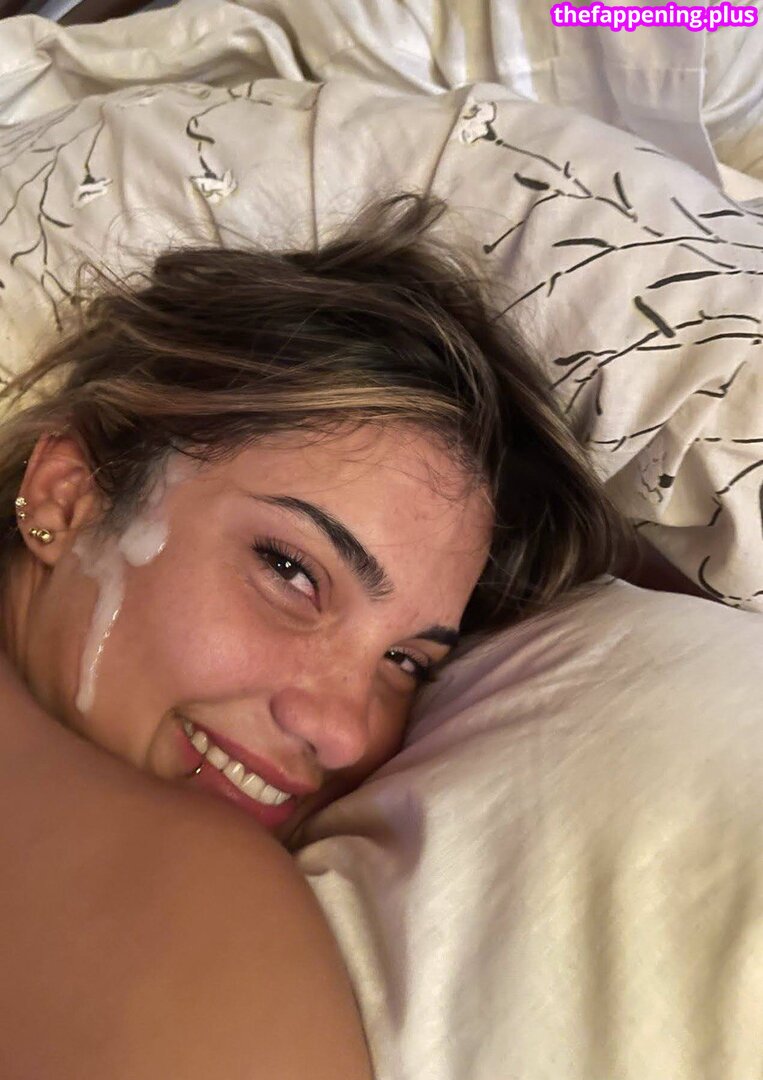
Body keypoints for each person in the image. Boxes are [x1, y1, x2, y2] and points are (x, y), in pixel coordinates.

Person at [0, 193, 627, 1077]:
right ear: (67, 496)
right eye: (292, 572)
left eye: (405, 661)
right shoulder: (198, 901)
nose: (339, 732)